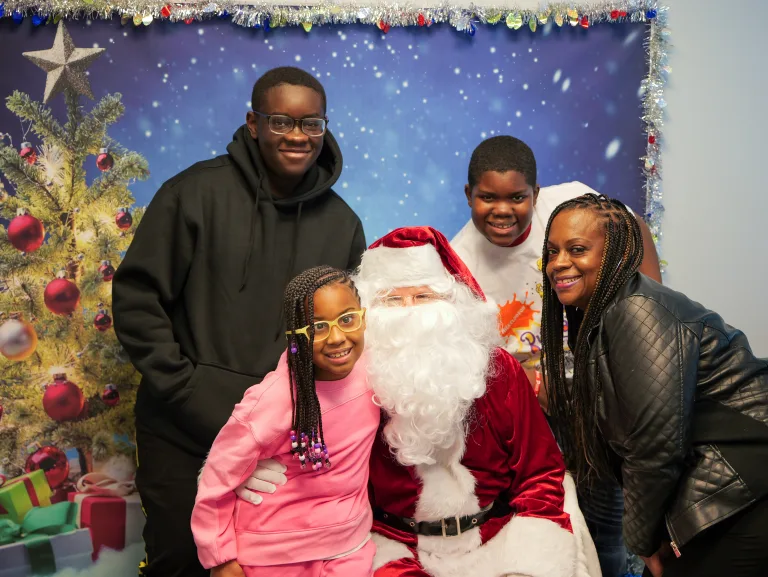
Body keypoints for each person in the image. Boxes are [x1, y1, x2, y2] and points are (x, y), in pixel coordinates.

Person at [112, 66, 366, 577]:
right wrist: (186, 391)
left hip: (282, 440)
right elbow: (138, 300)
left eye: (311, 123)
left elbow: (346, 336)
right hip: (183, 428)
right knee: (181, 558)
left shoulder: (342, 225)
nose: (297, 136)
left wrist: (295, 428)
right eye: (281, 121)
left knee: (260, 567)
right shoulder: (193, 194)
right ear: (254, 123)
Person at [240, 227, 601, 577]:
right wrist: (267, 464)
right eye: (392, 300)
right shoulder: (348, 379)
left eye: (423, 297)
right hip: (393, 546)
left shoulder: (497, 369)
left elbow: (540, 474)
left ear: (453, 303)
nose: (409, 312)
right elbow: (306, 443)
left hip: (496, 539)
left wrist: (526, 559)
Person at [450, 135, 662, 577]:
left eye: (517, 197)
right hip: (537, 404)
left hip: (601, 381)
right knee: (552, 514)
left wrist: (649, 302)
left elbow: (635, 227)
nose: (503, 210)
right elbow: (474, 358)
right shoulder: (459, 262)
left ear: (536, 193)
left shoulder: (570, 205)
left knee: (609, 518)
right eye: (488, 197)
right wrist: (531, 383)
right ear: (468, 195)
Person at [541, 193, 768, 577]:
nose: (559, 263)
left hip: (747, 489)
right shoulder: (606, 313)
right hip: (728, 487)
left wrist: (642, 541)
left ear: (617, 253)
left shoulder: (636, 308)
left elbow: (654, 444)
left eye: (577, 249)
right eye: (552, 252)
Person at [192, 266, 378, 577]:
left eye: (347, 319)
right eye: (317, 327)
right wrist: (220, 557)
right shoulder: (275, 401)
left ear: (363, 318)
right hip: (273, 555)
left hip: (350, 549)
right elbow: (217, 476)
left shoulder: (375, 372)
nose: (336, 338)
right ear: (296, 336)